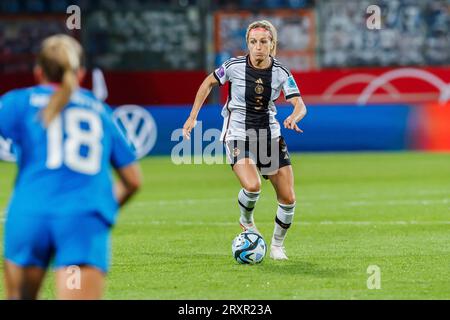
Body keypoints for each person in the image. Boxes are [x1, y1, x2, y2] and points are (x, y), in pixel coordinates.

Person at [0, 34, 141, 299]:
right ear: (82, 74)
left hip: (30, 214)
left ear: (38, 72)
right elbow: (133, 180)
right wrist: (104, 208)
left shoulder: (18, 102)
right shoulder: (98, 110)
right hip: (82, 218)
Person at [183, 20, 307, 260]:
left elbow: (300, 104)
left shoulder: (281, 72)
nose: (258, 47)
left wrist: (294, 115)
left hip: (269, 134)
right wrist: (192, 117)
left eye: (263, 42)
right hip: (238, 133)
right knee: (253, 186)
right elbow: (208, 82)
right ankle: (246, 220)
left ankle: (278, 246)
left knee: (288, 198)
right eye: (253, 42)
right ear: (247, 44)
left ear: (272, 44)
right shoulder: (233, 66)